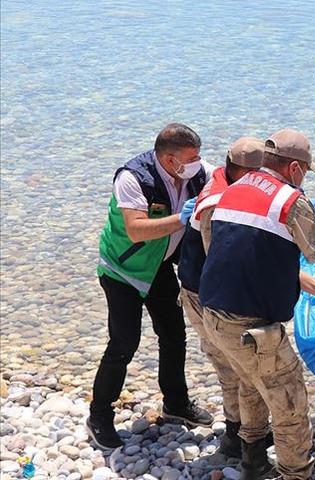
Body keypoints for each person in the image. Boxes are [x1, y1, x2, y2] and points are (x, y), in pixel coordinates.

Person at [199, 128, 315, 480]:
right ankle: (296, 472)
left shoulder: (233, 189)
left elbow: (246, 255)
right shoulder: (289, 200)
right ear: (295, 168)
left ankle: (253, 461)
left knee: (251, 384)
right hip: (252, 325)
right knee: (289, 401)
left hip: (212, 315)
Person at [88, 123, 215, 450]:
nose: (198, 163)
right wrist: (181, 219)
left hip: (158, 266)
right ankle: (99, 414)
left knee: (174, 335)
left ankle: (175, 403)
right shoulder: (132, 178)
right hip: (123, 270)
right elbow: (136, 230)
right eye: (192, 158)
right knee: (124, 342)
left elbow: (230, 177)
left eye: (199, 156)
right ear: (170, 159)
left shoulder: (195, 172)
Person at [176, 137, 267, 458]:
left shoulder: (223, 180)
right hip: (205, 296)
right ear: (243, 172)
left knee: (236, 367)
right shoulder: (217, 203)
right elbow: (221, 264)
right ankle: (239, 437)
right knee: (236, 368)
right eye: (259, 175)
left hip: (199, 285)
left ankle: (242, 430)